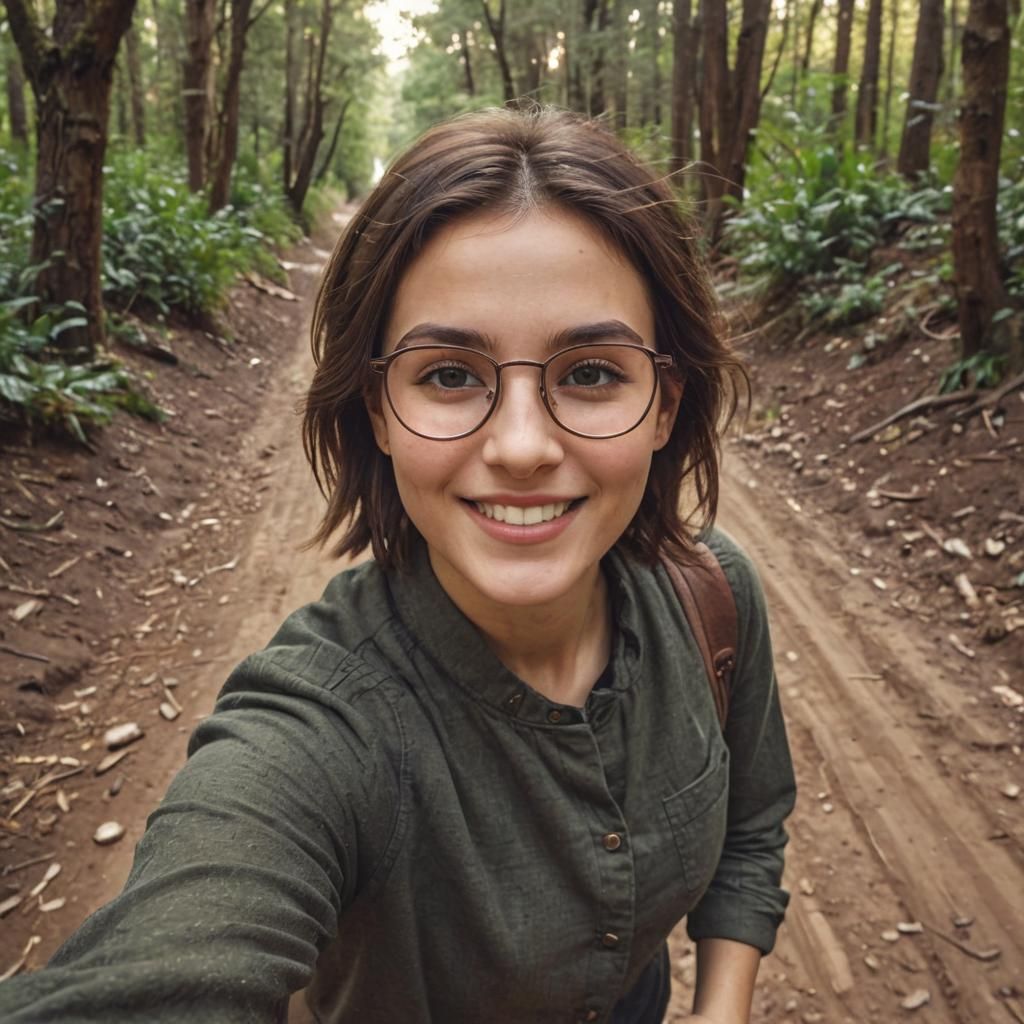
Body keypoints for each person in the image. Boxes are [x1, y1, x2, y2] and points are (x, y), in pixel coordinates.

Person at [0, 104, 796, 1024]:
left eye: (591, 372)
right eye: (451, 375)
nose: (524, 446)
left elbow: (752, 822)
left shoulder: (712, 595)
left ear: (664, 405)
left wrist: (722, 1004)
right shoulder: (320, 731)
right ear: (377, 409)